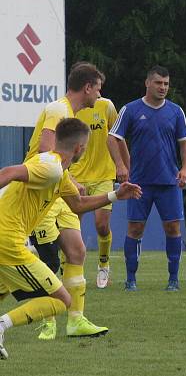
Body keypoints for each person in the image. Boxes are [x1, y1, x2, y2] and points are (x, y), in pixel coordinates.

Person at [0, 118, 142, 360]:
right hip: (7, 240)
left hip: (9, 238)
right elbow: (8, 172)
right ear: (79, 148)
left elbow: (77, 204)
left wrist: (116, 195)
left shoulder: (61, 173)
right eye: (85, 147)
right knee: (60, 300)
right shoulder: (51, 167)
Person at [26, 62, 111, 340]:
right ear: (87, 87)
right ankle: (47, 321)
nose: (99, 95)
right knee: (49, 260)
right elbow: (45, 148)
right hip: (41, 191)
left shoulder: (69, 113)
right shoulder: (58, 109)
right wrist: (71, 180)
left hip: (58, 192)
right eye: (98, 89)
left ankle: (76, 319)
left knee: (77, 251)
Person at [110, 66, 186, 291]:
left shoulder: (176, 111)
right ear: (147, 83)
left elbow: (185, 142)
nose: (163, 87)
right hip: (139, 183)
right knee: (135, 229)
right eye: (158, 83)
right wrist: (120, 165)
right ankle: (131, 279)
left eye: (166, 84)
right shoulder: (131, 109)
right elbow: (113, 137)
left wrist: (185, 169)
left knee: (173, 228)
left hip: (168, 182)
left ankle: (173, 279)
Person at [70, 89, 130, 289]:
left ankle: (103, 264)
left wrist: (124, 166)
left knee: (101, 225)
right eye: (96, 85)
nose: (99, 90)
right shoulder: (70, 108)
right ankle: (69, 268)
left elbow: (118, 137)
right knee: (71, 227)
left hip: (104, 174)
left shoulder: (107, 106)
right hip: (77, 175)